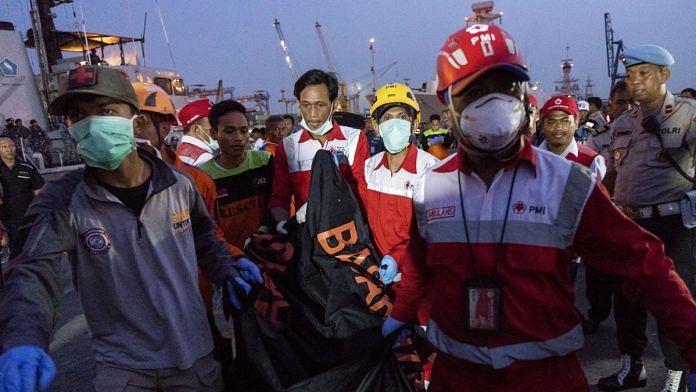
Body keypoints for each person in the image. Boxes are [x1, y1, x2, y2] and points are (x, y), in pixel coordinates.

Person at [381, 24, 696, 392]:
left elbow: (646, 263)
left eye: (505, 88)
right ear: (448, 104)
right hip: (457, 378)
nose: (493, 103)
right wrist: (399, 316)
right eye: (475, 91)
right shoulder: (430, 188)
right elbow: (420, 266)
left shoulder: (567, 184)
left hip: (545, 379)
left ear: (523, 96)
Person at [0, 66, 262, 391]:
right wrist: (23, 338)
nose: (92, 124)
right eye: (77, 115)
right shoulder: (62, 201)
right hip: (123, 368)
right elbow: (31, 272)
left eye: (106, 110)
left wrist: (228, 269)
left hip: (194, 359)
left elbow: (204, 239)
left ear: (134, 119)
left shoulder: (180, 184)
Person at [604, 44, 696, 392]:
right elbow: (614, 173)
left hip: (674, 226)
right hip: (631, 225)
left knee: (673, 301)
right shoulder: (623, 122)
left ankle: (676, 375)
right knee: (626, 301)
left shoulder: (688, 114)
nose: (634, 82)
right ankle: (631, 367)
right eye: (630, 76)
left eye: (643, 74)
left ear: (664, 75)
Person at [364, 83, 438, 321]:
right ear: (376, 126)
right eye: (387, 118)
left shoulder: (431, 171)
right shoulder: (369, 169)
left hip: (421, 287)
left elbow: (430, 238)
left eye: (402, 117)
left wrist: (398, 259)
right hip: (379, 282)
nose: (394, 124)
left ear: (415, 124)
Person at [269, 69, 369, 230]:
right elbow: (279, 197)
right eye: (306, 105)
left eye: (320, 105)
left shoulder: (355, 139)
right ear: (298, 104)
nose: (313, 114)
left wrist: (324, 208)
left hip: (347, 233)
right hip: (305, 237)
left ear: (334, 104)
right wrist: (283, 225)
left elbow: (362, 192)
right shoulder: (288, 147)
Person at [200, 100, 274, 249]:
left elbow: (278, 205)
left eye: (243, 130)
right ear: (214, 134)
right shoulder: (203, 177)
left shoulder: (265, 161)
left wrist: (263, 232)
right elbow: (207, 229)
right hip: (229, 260)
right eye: (229, 131)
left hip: (268, 252)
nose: (238, 137)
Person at [539, 96, 606, 178]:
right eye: (551, 122)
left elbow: (583, 133)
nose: (558, 127)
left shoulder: (592, 161)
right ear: (543, 125)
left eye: (565, 121)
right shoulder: (533, 157)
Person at [0, 136, 43, 260]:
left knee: (36, 254)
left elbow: (40, 192)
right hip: (7, 221)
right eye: (4, 146)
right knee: (16, 256)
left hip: (29, 218)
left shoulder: (27, 167)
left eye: (11, 145)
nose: (9, 149)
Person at [588, 81, 631, 165]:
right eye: (620, 103)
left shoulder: (596, 119)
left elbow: (581, 133)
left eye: (632, 102)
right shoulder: (599, 135)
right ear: (611, 106)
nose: (627, 107)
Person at [175, 98, 217, 166]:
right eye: (212, 125)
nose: (217, 130)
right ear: (196, 129)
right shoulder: (204, 158)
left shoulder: (180, 151)